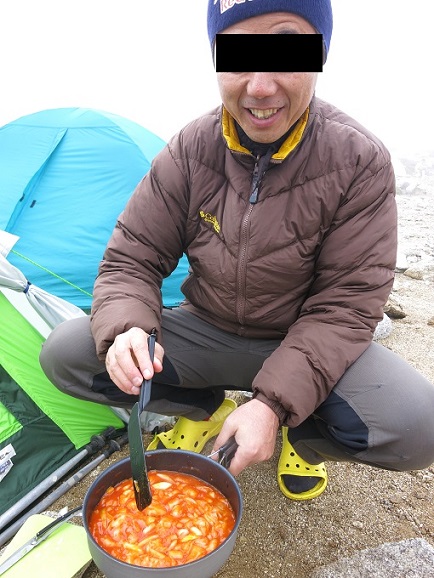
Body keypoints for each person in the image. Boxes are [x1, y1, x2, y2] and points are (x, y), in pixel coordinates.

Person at [40, 0, 434, 501]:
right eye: (238, 56)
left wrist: (271, 405)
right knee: (69, 353)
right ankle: (205, 409)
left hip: (299, 336)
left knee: (418, 426)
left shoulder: (359, 159)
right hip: (208, 330)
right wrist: (128, 329)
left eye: (287, 52)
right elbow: (132, 256)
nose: (261, 85)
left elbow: (346, 306)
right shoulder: (190, 149)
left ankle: (301, 437)